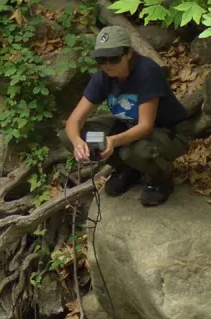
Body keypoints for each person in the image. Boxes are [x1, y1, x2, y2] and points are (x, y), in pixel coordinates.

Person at [64, 25, 191, 207]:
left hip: (169, 131)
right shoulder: (102, 77)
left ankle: (161, 177)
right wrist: (77, 143)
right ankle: (128, 169)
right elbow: (74, 121)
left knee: (133, 151)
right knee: (68, 136)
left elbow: (146, 126)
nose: (107, 65)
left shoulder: (147, 72)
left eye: (114, 58)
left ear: (129, 53)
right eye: (101, 59)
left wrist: (113, 141)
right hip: (128, 125)